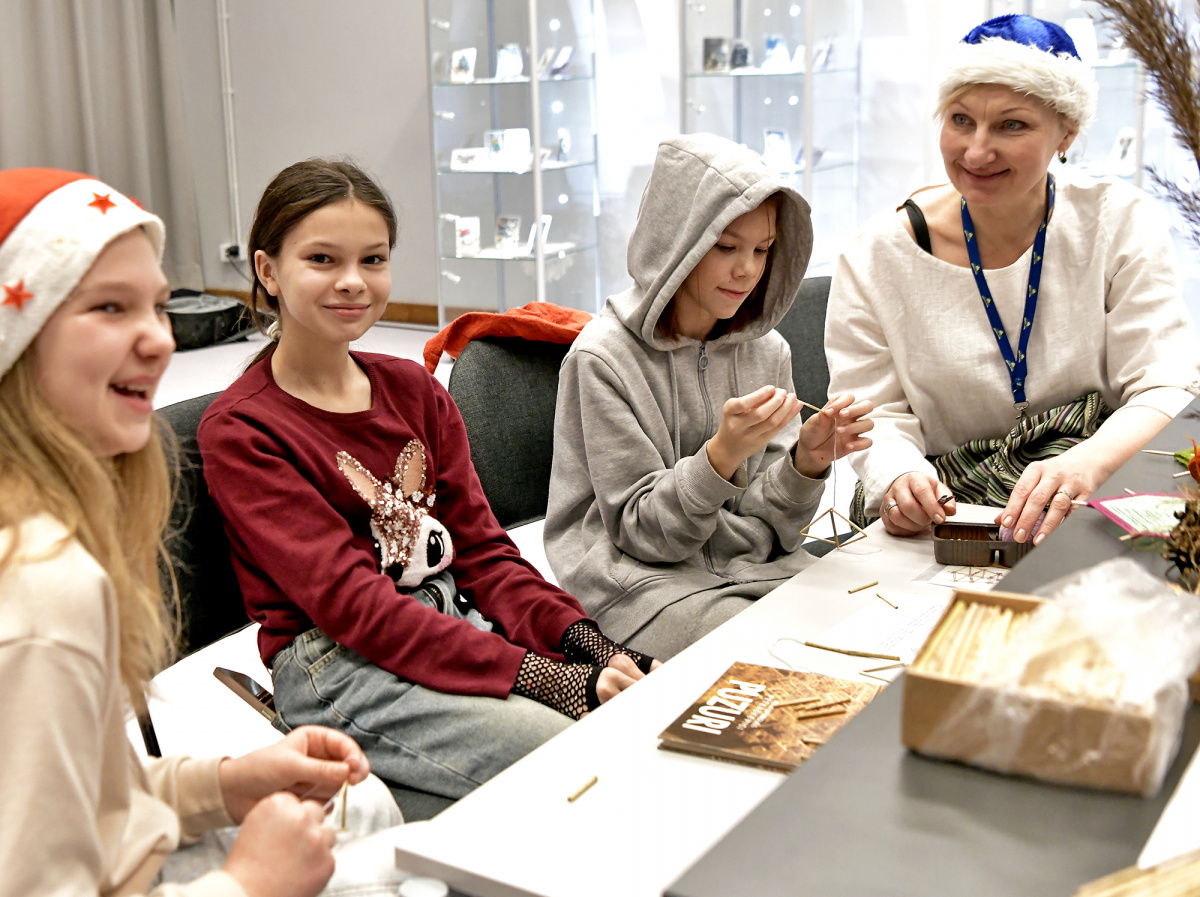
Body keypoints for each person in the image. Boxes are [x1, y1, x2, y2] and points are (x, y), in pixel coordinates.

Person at [198, 159, 656, 806]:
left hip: (442, 622)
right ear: (268, 271)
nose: (353, 281)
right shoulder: (244, 430)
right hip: (337, 662)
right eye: (323, 259)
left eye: (373, 259)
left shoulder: (413, 389)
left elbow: (485, 554)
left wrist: (585, 644)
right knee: (578, 762)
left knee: (629, 718)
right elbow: (357, 608)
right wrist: (542, 678)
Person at [0, 168, 374, 897]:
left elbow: (83, 799)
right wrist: (250, 881)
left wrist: (226, 784)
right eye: (110, 307)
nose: (160, 339)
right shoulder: (44, 590)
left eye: (158, 306)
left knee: (371, 812)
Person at [825, 14, 1200, 545]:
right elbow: (874, 412)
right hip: (946, 503)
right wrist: (899, 477)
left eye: (1012, 125)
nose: (977, 152)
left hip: (1092, 486)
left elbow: (1164, 384)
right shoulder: (875, 256)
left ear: (1067, 132)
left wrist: (1087, 463)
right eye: (960, 120)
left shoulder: (1117, 223)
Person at [545, 134, 873, 661]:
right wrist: (721, 457)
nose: (748, 270)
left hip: (750, 569)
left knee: (870, 617)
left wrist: (806, 464)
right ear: (676, 242)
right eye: (726, 247)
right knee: (778, 653)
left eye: (762, 250)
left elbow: (775, 531)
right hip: (637, 583)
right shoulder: (602, 360)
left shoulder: (768, 352)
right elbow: (644, 538)